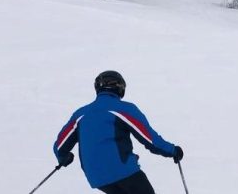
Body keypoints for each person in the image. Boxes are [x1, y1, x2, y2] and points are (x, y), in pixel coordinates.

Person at [53, 70, 184, 194]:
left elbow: (60, 146)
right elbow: (149, 139)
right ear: (120, 87)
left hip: (97, 177)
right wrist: (172, 150)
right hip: (123, 171)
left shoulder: (81, 114)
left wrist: (63, 157)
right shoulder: (123, 109)